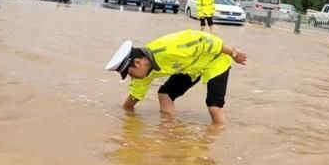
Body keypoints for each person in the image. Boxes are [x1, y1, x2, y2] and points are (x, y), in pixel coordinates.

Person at [104, 29, 247, 125]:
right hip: (191, 68)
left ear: (137, 62)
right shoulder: (145, 73)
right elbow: (134, 96)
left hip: (216, 59)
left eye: (130, 73)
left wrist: (234, 54)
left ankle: (219, 136)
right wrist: (124, 116)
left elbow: (205, 40)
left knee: (214, 105)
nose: (132, 78)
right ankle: (170, 129)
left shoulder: (170, 48)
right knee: (165, 94)